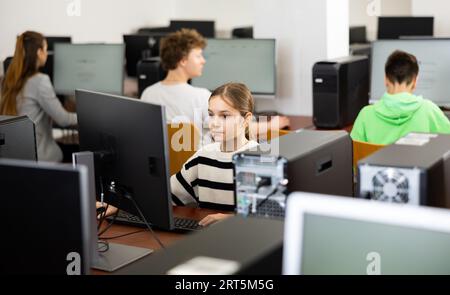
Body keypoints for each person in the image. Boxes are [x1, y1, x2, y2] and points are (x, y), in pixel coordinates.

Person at [141, 28, 289, 147]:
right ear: (183, 60)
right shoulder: (200, 97)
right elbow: (240, 128)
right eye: (198, 56)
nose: (203, 61)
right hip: (201, 168)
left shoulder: (148, 93)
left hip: (169, 173)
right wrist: (273, 124)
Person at [171, 83, 259, 226]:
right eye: (211, 115)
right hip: (206, 239)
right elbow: (169, 195)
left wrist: (232, 220)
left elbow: (270, 218)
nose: (214, 123)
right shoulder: (202, 157)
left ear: (246, 119)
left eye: (224, 116)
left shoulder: (259, 161)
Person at [0, 31, 77, 162]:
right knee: (79, 153)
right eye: (46, 49)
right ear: (39, 52)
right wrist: (88, 117)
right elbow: (63, 119)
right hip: (40, 158)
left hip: (16, 158)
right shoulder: (40, 81)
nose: (47, 54)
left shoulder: (9, 79)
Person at [351, 50, 450, 145]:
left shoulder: (365, 115)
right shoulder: (429, 110)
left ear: (385, 79)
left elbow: (352, 155)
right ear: (415, 81)